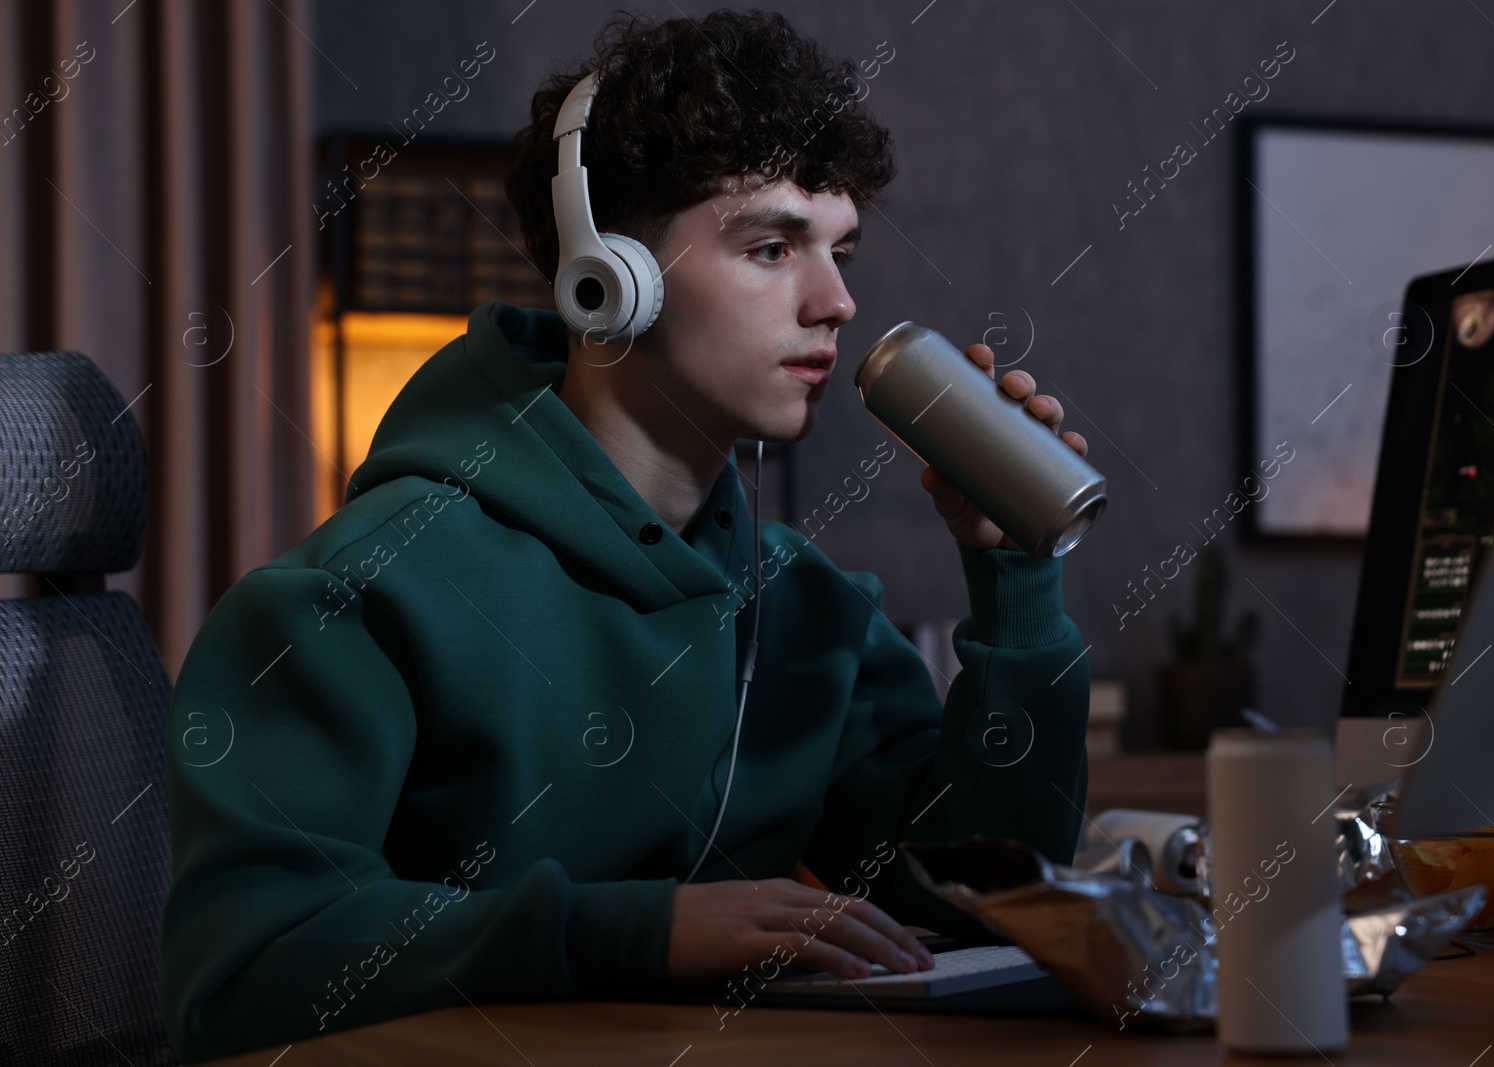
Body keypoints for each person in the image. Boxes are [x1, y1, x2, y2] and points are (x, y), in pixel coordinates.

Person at [158, 8, 1092, 1061]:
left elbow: (990, 895)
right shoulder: (356, 595)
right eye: (773, 245)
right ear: (605, 281)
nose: (837, 300)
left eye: (840, 251)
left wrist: (1015, 578)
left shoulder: (805, 606)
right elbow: (238, 969)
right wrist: (626, 928)